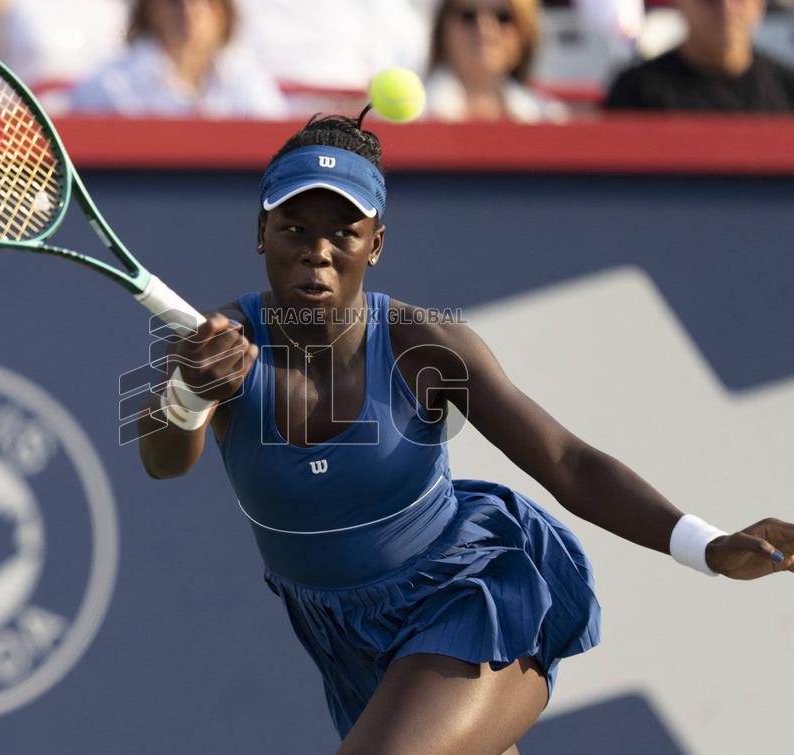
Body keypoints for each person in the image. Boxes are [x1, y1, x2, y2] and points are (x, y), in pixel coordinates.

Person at [137, 112, 794, 752]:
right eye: (295, 227)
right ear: (261, 232)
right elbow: (163, 460)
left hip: (473, 603)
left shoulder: (425, 344)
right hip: (345, 640)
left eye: (345, 232)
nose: (318, 250)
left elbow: (566, 460)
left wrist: (705, 545)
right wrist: (190, 392)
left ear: (377, 245)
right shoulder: (213, 345)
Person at [69, 0, 287, 119]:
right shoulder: (107, 86)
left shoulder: (249, 81)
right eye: (174, 1)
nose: (189, 9)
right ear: (147, 8)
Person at [605, 0, 794, 110]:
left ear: (758, 5)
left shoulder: (787, 89)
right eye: (710, 0)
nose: (726, 9)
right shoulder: (636, 92)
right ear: (680, 3)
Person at [424, 0, 569, 122]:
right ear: (442, 28)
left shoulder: (548, 116)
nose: (485, 28)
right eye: (468, 15)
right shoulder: (418, 114)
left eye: (503, 17)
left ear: (525, 33)